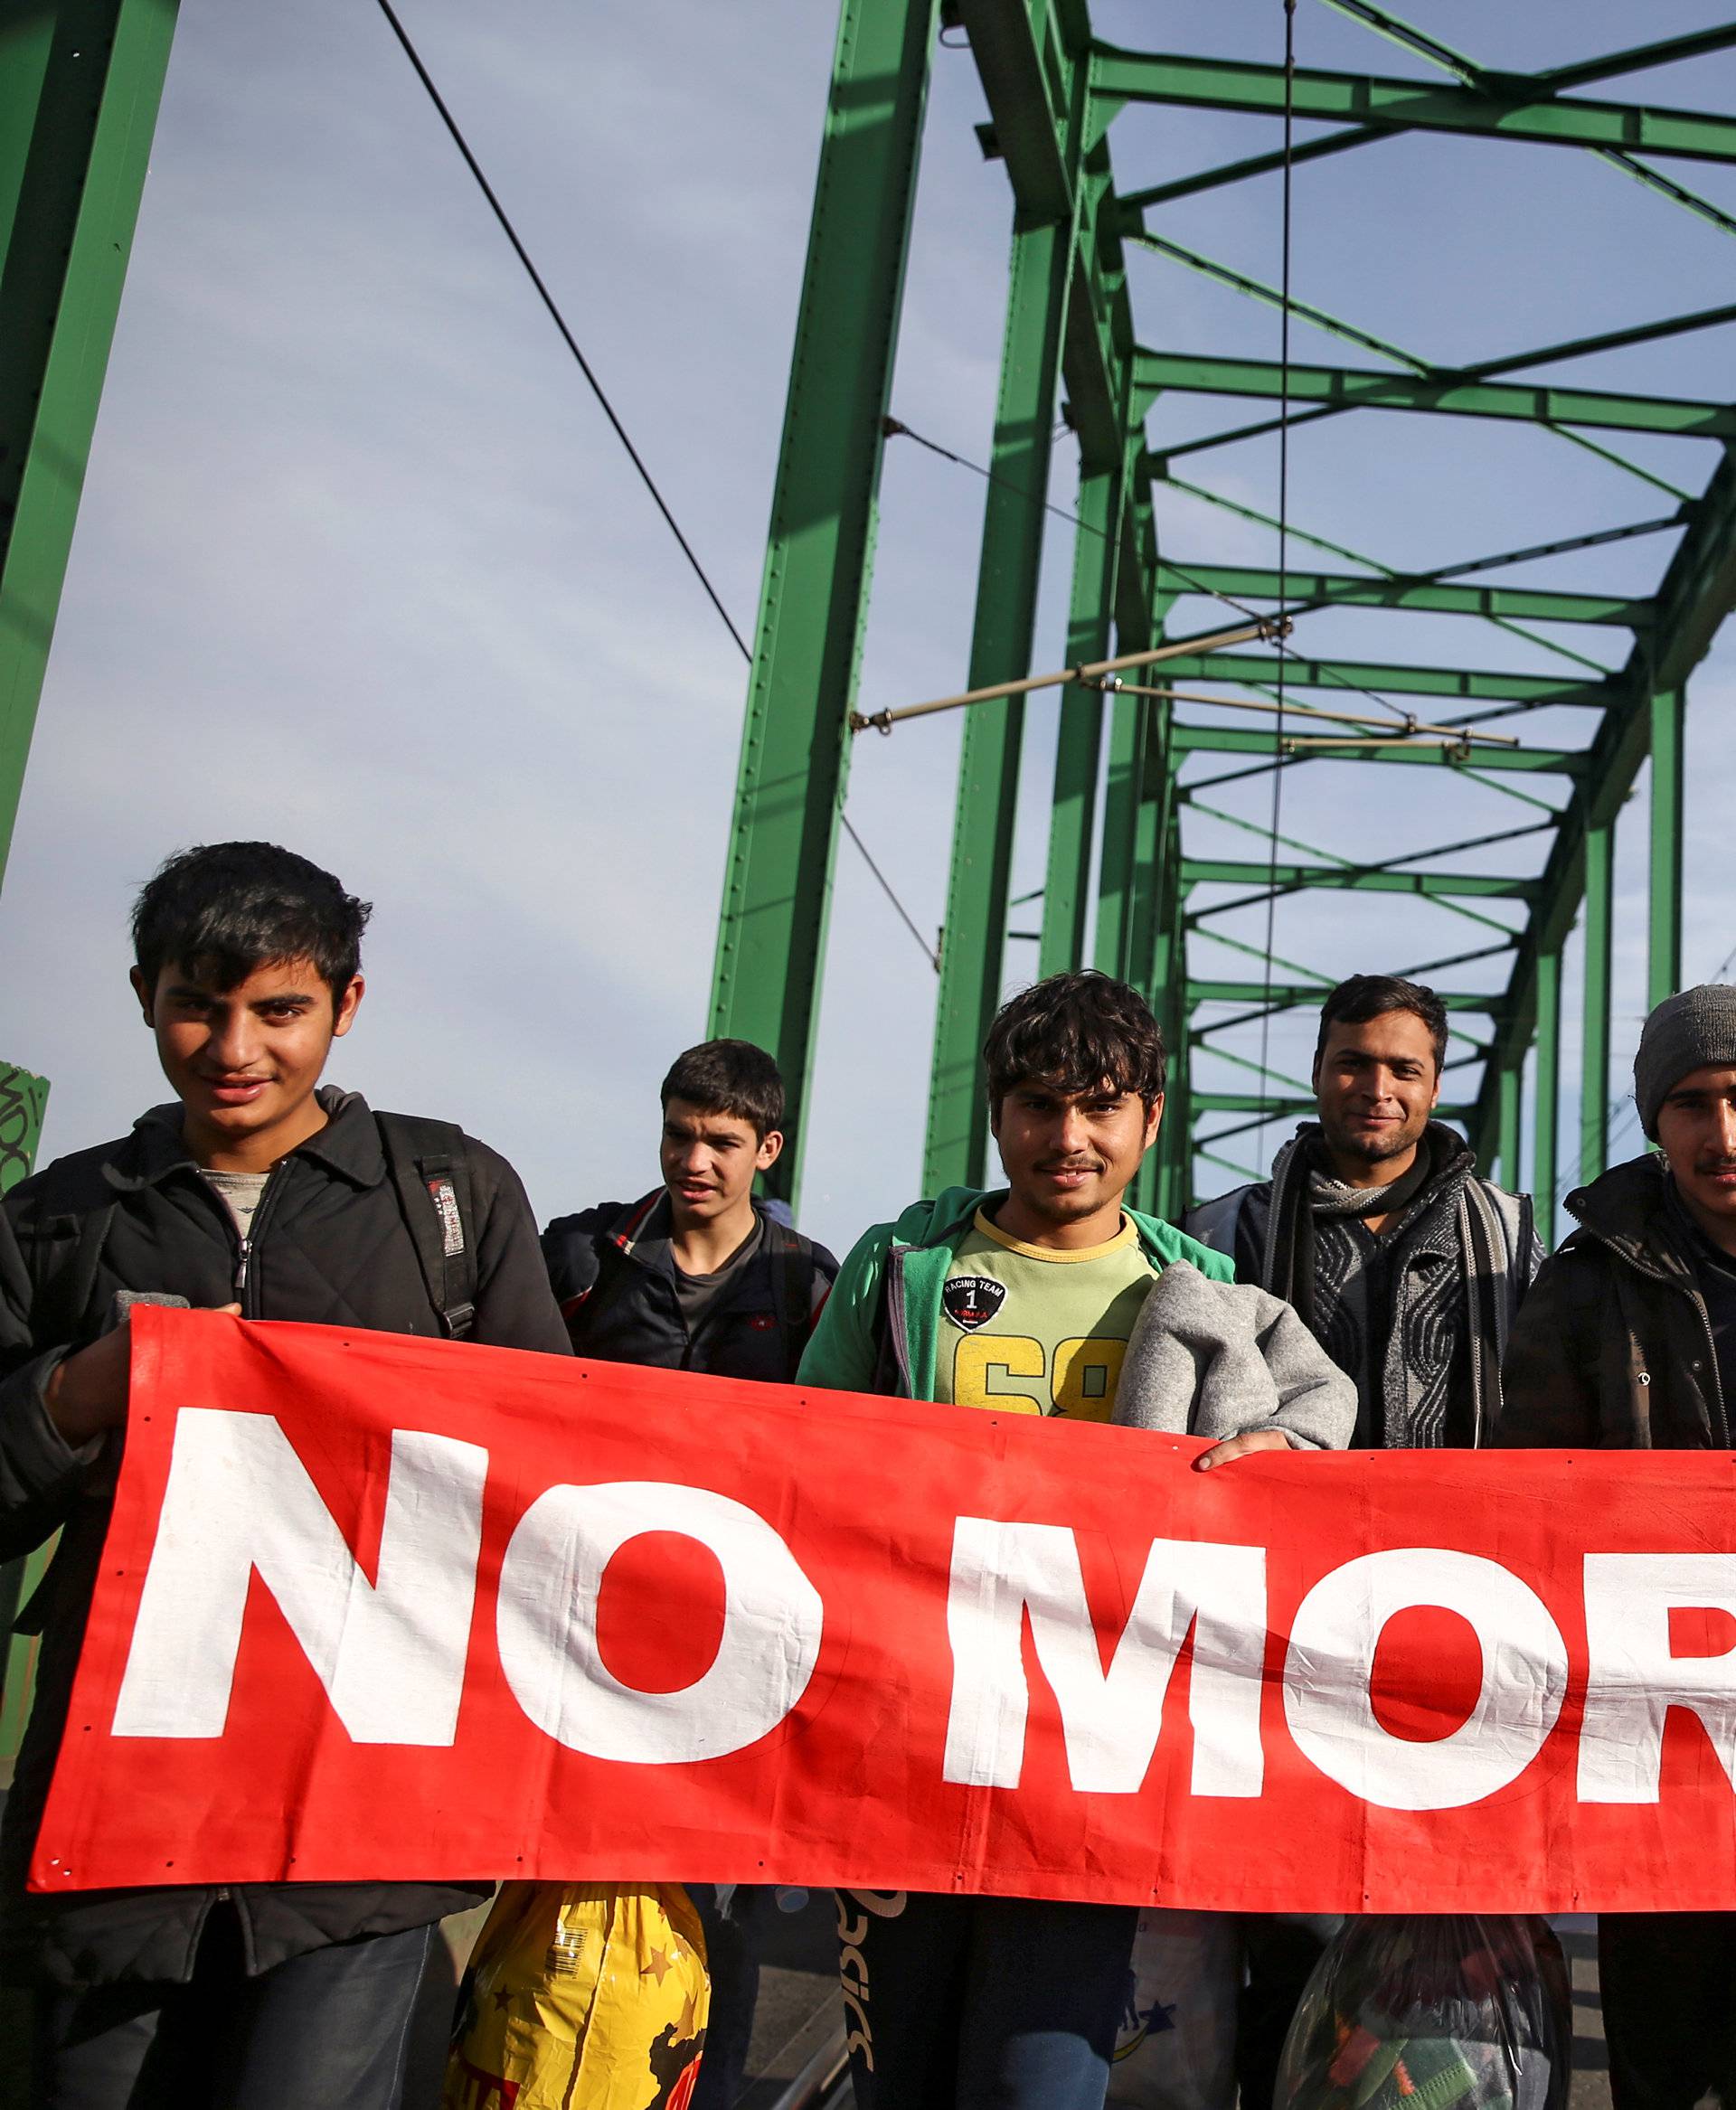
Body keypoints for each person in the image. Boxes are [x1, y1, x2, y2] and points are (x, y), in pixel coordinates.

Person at [0, 841, 571, 2108]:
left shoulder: (451, 1199)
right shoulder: (63, 1218)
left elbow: (554, 1480)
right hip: (121, 1807)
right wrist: (69, 1395)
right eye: (199, 1002)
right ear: (143, 992)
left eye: (280, 1008)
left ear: (345, 1006)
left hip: (360, 1807)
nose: (234, 1045)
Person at [799, 969, 1354, 2110]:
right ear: (997, 1114)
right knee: (895, 2077)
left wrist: (1280, 1463)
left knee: (1040, 2081)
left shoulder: (1196, 1287)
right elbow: (803, 1466)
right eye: (1038, 1104)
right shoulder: (905, 1269)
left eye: (1101, 1106)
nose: (1068, 1137)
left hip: (1085, 1761)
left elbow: (1306, 1427)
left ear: (1151, 1118)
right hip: (908, 1744)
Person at [1184, 971, 1543, 2110]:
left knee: (1447, 1926)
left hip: (1453, 1628)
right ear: (1317, 1070)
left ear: (1438, 1087)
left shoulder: (1512, 1243)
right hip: (1278, 1630)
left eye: (1403, 1070)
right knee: (1277, 1921)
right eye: (1353, 1062)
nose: (1375, 1089)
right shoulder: (1228, 1231)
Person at [542, 1037, 839, 2110]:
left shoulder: (809, 1281)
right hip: (585, 1625)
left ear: (767, 1147)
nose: (695, 1158)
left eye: (721, 1140)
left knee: (728, 1898)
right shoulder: (583, 1256)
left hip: (739, 1641)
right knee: (569, 1869)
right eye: (679, 1133)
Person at [1498, 983, 1736, 2110]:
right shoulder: (1588, 1285)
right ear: (1655, 1121)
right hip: (1666, 1744)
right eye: (1692, 1103)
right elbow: (1522, 1505)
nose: (1722, 1133)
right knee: (1663, 2055)